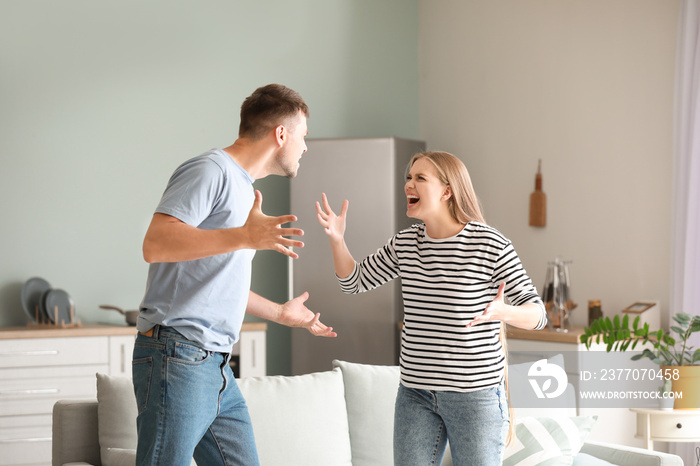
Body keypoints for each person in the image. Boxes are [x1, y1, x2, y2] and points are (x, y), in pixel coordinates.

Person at [133, 83, 336, 466]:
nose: (305, 147)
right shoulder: (210, 169)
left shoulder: (245, 187)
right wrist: (245, 236)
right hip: (179, 354)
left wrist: (279, 313)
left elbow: (211, 280)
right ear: (281, 134)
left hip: (215, 365)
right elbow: (155, 243)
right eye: (303, 136)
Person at [316, 151, 546, 466]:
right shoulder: (406, 244)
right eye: (408, 178)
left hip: (475, 398)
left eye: (420, 178)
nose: (409, 184)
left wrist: (504, 312)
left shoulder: (490, 245)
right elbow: (354, 281)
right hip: (415, 394)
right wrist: (337, 241)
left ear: (447, 191)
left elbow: (538, 315)